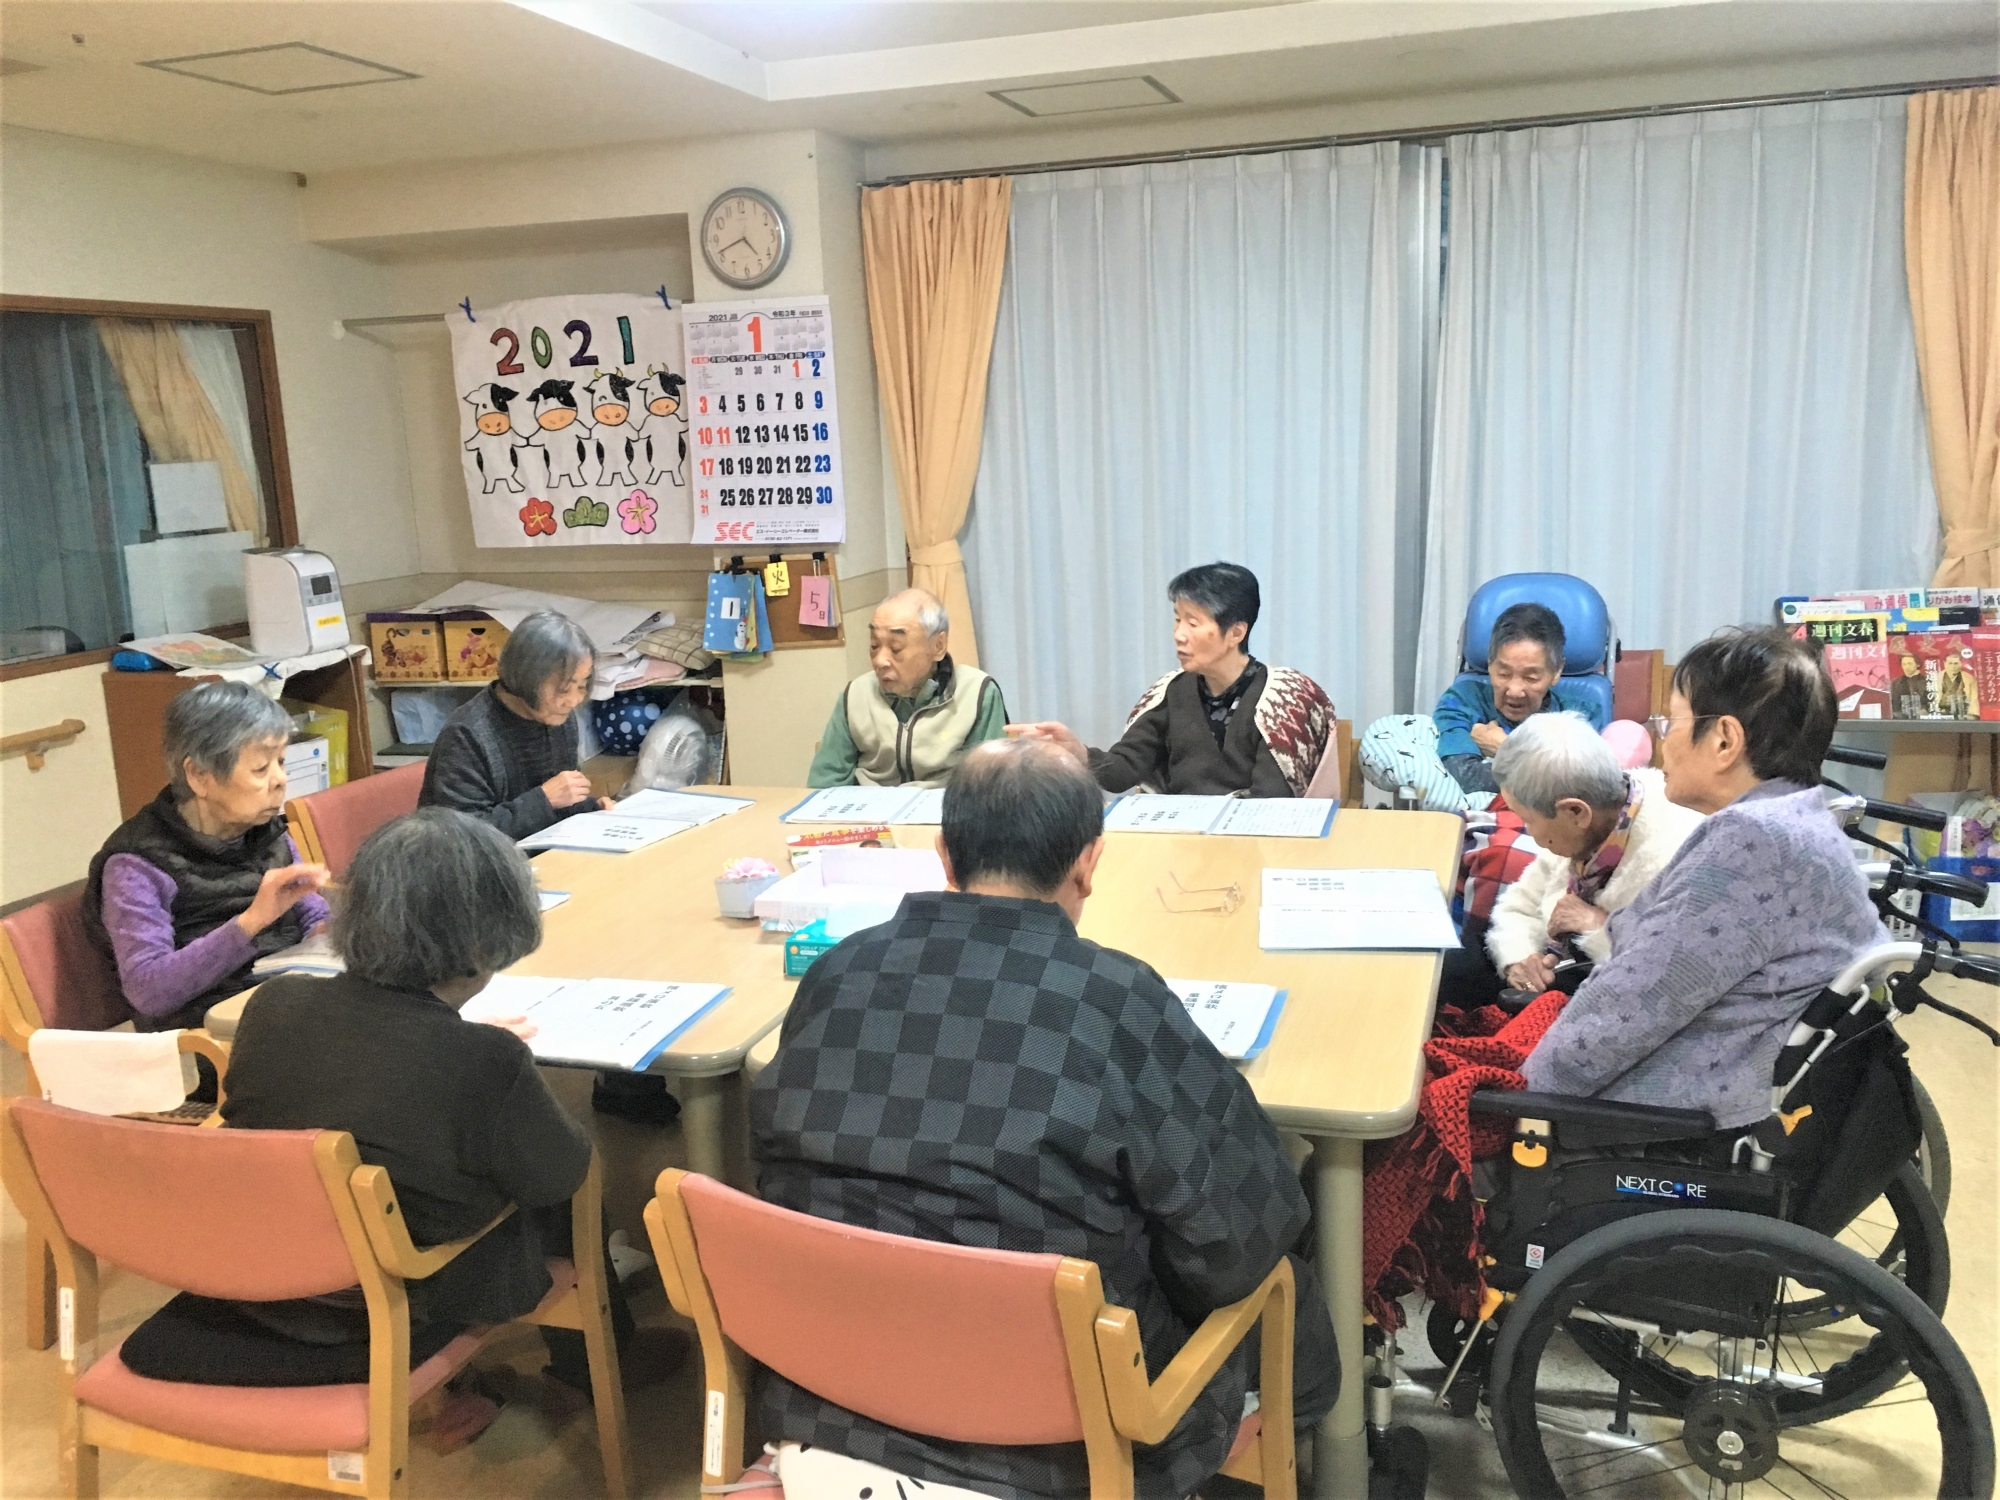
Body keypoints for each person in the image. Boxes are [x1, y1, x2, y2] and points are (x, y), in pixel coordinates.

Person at [752, 738, 1338, 1498]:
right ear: (1089, 862)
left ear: (944, 855)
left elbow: (774, 1166)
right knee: (1289, 1287)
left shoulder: (838, 971)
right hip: (1069, 1442)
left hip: (837, 1392)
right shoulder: (1114, 1000)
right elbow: (1240, 1242)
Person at [115, 809, 683, 1429]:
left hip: (263, 1275)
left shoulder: (273, 1004)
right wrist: (478, 1053)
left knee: (427, 1158)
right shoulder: (485, 1059)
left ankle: (466, 1391)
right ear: (486, 944)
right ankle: (595, 1368)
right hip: (399, 1298)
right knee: (559, 1187)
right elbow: (562, 1176)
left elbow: (374, 1069)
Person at [1522, 627, 1886, 1129]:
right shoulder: (1791, 817)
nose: (1662, 738)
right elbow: (1646, 939)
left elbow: (1632, 1006)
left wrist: (1522, 1094)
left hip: (1681, 1112)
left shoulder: (1753, 842)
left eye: (1671, 721)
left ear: (1724, 741)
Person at [82, 681, 329, 1034]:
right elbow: (148, 991)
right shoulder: (136, 864)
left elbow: (313, 915)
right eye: (261, 768)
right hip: (206, 1034)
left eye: (281, 762)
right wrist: (251, 922)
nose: (280, 780)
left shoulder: (265, 831)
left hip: (280, 1001)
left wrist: (331, 933)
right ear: (199, 775)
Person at [1436, 712, 1703, 1014]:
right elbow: (1519, 907)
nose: (1529, 833)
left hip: (1625, 996)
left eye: (1528, 820)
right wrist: (1518, 960)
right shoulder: (1593, 820)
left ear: (1575, 812)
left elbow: (1673, 982)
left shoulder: (1677, 851)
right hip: (1567, 966)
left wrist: (1599, 926)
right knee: (1445, 968)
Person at [1011, 562, 1333, 798]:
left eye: (1193, 623)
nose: (1179, 634)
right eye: (1177, 620)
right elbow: (1123, 770)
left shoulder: (1281, 700)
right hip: (1181, 841)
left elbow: (1272, 800)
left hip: (1254, 843)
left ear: (1236, 632)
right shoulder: (1170, 691)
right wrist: (1077, 752)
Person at [419, 609, 612, 839]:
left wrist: (590, 808)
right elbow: (463, 837)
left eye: (581, 686)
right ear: (526, 678)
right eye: (563, 689)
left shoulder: (559, 718)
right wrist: (543, 800)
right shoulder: (466, 735)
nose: (573, 700)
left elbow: (559, 804)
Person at [805, 589, 1007, 788]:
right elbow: (824, 782)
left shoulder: (977, 693)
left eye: (896, 648)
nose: (880, 660)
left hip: (943, 806)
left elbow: (988, 787)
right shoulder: (856, 694)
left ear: (938, 646)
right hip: (870, 806)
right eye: (874, 645)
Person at [1433, 602, 1609, 797]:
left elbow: (1579, 787)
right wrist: (1545, 770)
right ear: (1490, 664)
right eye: (1504, 674)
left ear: (1556, 671)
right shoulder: (1461, 700)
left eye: (1530, 678)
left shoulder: (1581, 715)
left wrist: (1505, 748)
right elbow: (1464, 779)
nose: (1515, 691)